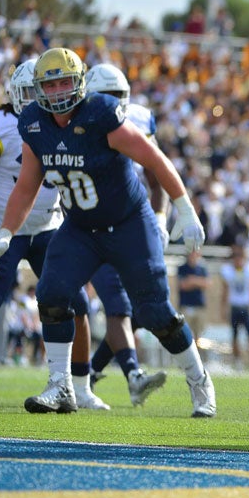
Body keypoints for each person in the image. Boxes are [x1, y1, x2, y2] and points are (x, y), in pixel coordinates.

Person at [0, 47, 215, 417]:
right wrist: (6, 233)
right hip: (80, 227)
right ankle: (61, 386)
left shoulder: (101, 115)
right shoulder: (33, 122)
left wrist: (184, 210)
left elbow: (154, 159)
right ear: (38, 88)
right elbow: (27, 185)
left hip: (128, 223)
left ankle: (199, 381)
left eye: (65, 82)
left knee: (154, 311)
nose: (58, 91)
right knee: (52, 294)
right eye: (50, 84)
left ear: (79, 83)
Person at [0, 61, 95, 404]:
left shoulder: (68, 122)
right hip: (4, 228)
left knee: (76, 302)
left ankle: (78, 388)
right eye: (27, 93)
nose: (35, 100)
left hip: (49, 227)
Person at [83, 62, 168, 408]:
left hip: (129, 226)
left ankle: (89, 373)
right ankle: (132, 375)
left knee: (134, 311)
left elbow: (155, 173)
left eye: (117, 96)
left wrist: (160, 218)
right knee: (118, 305)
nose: (110, 102)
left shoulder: (139, 118)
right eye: (104, 96)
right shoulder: (74, 122)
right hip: (89, 227)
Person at [219, 244, 249, 369]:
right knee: (235, 336)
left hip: (246, 307)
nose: (237, 260)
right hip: (235, 307)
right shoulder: (228, 270)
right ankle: (237, 361)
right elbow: (225, 291)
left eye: (239, 257)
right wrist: (223, 308)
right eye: (235, 257)